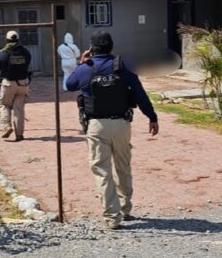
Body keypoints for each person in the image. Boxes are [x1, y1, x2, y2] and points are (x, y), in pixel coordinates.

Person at [66, 30, 159, 229]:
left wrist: (82, 63)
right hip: (122, 124)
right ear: (111, 47)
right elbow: (140, 95)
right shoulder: (124, 67)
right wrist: (152, 117)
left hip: (97, 125)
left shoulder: (86, 68)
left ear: (91, 49)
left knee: (102, 171)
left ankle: (112, 216)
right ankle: (125, 208)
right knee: (123, 166)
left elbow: (69, 84)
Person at [0, 31, 32, 141]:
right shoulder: (25, 52)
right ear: (18, 40)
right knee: (19, 108)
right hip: (23, 83)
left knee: (4, 105)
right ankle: (19, 135)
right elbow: (28, 63)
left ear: (7, 40)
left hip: (8, 84)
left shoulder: (3, 52)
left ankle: (7, 127)